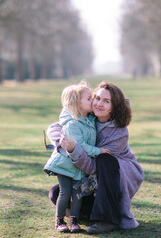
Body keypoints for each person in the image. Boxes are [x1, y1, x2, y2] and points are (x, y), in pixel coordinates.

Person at [47, 81, 144, 234]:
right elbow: (55, 127)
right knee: (56, 193)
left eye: (107, 101)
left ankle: (107, 219)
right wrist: (63, 141)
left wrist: (74, 149)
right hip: (92, 182)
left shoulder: (119, 132)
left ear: (115, 107)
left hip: (117, 175)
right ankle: (88, 214)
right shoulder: (88, 115)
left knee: (104, 159)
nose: (99, 103)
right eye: (97, 98)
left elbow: (93, 168)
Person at [43, 81, 110, 233]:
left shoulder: (90, 119)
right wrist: (98, 151)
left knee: (77, 193)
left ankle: (74, 220)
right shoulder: (72, 124)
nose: (93, 101)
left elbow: (112, 107)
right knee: (65, 192)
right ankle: (59, 221)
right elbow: (80, 146)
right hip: (65, 165)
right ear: (77, 104)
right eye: (89, 99)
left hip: (78, 166)